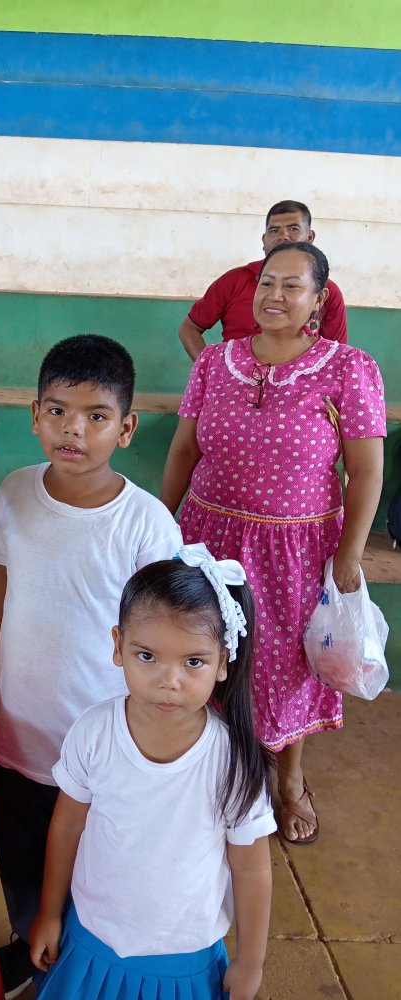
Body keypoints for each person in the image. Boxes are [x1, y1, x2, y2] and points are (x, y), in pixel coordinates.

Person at [0, 335, 182, 998]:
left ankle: (81, 967)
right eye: (58, 412)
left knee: (94, 870)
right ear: (34, 416)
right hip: (19, 728)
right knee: (22, 859)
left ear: (125, 429)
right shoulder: (15, 492)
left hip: (102, 744)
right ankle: (31, 946)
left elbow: (163, 639)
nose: (73, 430)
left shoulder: (146, 525)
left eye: (95, 416)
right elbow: (4, 580)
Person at [162, 242, 385, 845]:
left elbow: (366, 471)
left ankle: (289, 780)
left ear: (318, 300)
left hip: (297, 547)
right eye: (266, 282)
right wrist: (163, 526)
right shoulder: (214, 363)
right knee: (207, 654)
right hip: (210, 539)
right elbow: (185, 451)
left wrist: (348, 558)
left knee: (286, 665)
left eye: (292, 285)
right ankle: (204, 772)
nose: (275, 295)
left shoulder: (347, 367)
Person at [30, 549, 275, 1000]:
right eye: (147, 655)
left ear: (223, 662)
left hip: (185, 960)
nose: (169, 679)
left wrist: (249, 963)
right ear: (118, 646)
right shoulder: (94, 732)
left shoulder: (233, 761)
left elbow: (252, 867)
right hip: (92, 939)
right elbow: (67, 824)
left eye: (193, 662)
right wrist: (49, 913)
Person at [178, 200, 348, 361]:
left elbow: (335, 354)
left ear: (310, 237)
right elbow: (189, 328)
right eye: (274, 230)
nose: (283, 236)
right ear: (264, 240)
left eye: (293, 229)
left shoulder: (327, 291)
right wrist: (211, 371)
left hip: (300, 389)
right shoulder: (233, 281)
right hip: (237, 387)